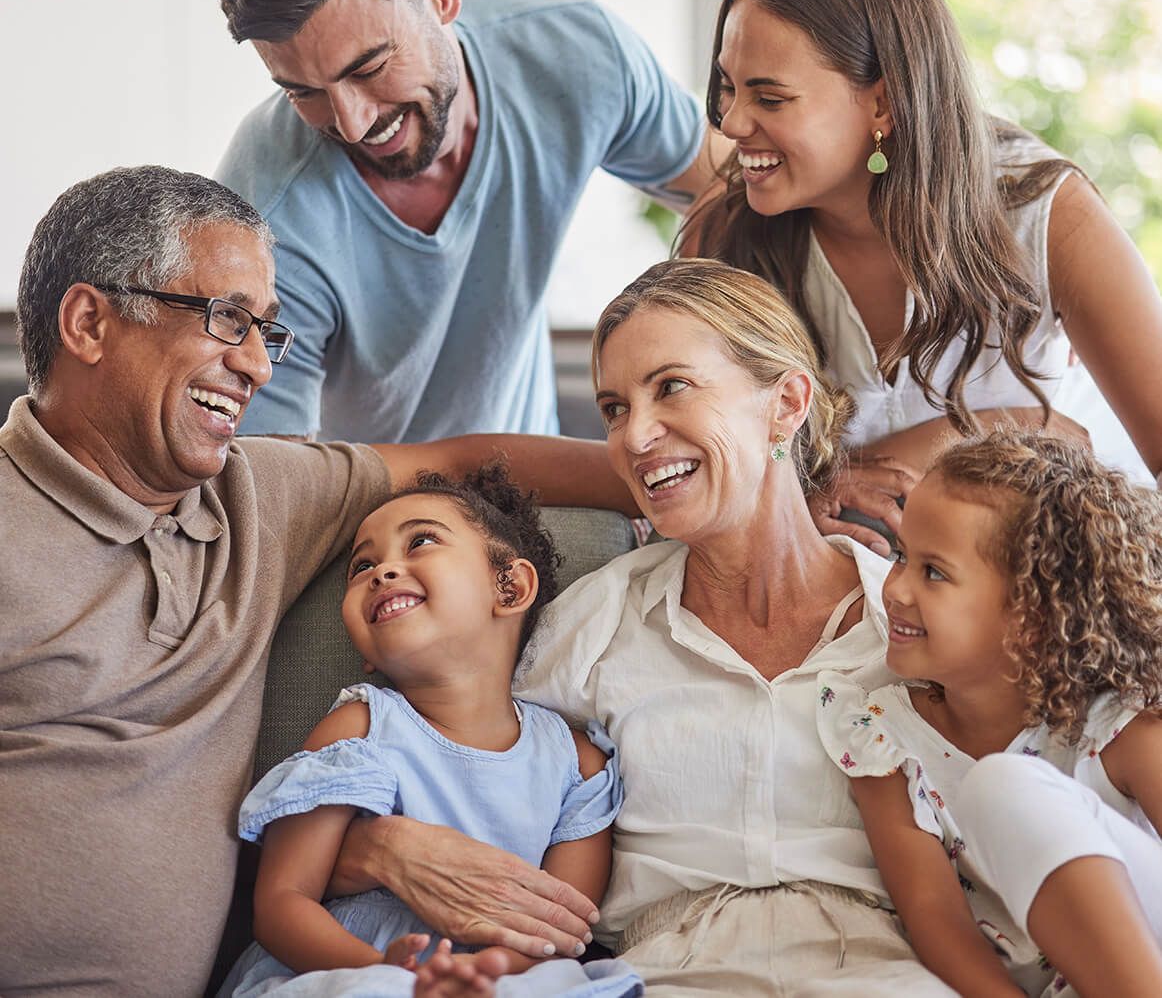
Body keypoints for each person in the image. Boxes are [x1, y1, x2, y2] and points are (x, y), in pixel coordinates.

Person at [0, 165, 634, 998]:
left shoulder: (258, 493)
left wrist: (732, 486)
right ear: (90, 322)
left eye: (268, 330)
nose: (259, 366)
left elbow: (458, 462)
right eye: (229, 319)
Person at [331, 258, 956, 995]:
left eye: (672, 387)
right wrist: (375, 845)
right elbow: (465, 789)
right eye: (615, 409)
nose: (635, 437)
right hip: (659, 978)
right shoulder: (591, 628)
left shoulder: (917, 621)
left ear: (786, 403)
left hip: (889, 973)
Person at [680, 0, 1162, 554]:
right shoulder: (729, 233)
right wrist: (1004, 425)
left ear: (883, 103)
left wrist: (954, 440)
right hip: (843, 582)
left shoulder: (1046, 216)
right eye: (728, 87)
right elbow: (699, 455)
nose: (732, 122)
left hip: (1045, 573)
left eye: (770, 97)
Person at [214, 0, 721, 445]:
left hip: (541, 498)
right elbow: (277, 486)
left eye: (371, 66)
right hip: (362, 522)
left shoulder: (574, 51)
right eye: (302, 92)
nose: (351, 124)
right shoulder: (265, 214)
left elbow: (738, 193)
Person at [220, 465, 639, 998]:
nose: (382, 572)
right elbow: (281, 906)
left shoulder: (578, 763)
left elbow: (561, 921)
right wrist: (387, 971)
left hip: (507, 978)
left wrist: (481, 975)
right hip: (356, 970)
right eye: (363, 565)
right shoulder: (359, 729)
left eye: (420, 541)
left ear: (509, 587)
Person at [817, 430, 1162, 997]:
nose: (896, 588)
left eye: (933, 572)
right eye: (902, 556)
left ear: (1031, 615)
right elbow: (936, 921)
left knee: (1001, 786)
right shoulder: (880, 731)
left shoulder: (1118, 716)